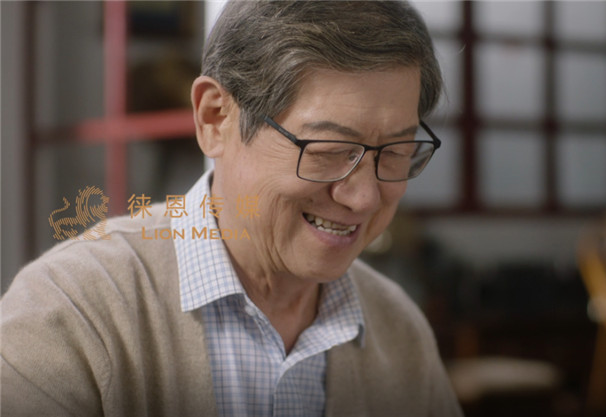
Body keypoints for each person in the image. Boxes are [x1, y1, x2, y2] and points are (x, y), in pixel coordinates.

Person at [0, 1, 463, 416]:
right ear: (215, 118)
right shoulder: (69, 312)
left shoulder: (397, 326)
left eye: (397, 152)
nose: (364, 197)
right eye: (328, 150)